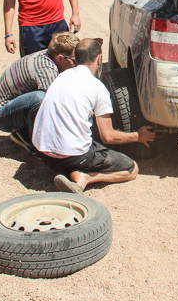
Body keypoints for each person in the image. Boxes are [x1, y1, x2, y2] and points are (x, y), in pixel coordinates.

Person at [32, 38, 156, 194]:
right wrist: (138, 136)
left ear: (76, 58)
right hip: (72, 156)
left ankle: (71, 171)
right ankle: (85, 178)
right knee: (131, 169)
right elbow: (108, 137)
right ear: (98, 59)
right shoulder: (98, 87)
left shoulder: (62, 76)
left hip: (44, 153)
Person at [0, 32, 80, 151]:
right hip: (1, 115)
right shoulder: (46, 70)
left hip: (15, 105)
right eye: (74, 61)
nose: (77, 65)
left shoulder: (49, 56)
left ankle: (23, 133)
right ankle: (36, 145)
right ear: (60, 58)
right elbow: (57, 103)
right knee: (42, 99)